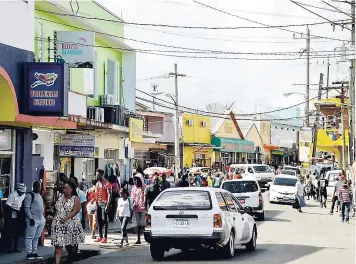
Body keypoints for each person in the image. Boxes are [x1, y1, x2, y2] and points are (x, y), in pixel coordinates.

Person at [51, 181, 85, 264]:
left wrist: (66, 218)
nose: (64, 190)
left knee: (71, 245)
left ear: (71, 189)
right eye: (63, 188)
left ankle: (70, 260)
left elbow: (76, 211)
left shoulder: (75, 198)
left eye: (66, 188)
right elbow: (53, 207)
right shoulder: (59, 197)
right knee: (58, 246)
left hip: (71, 225)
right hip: (58, 224)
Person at [24, 181, 45, 260]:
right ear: (33, 187)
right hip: (33, 219)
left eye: (39, 186)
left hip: (40, 219)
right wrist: (30, 218)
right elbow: (26, 207)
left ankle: (34, 252)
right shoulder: (30, 195)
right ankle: (29, 253)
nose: (38, 188)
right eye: (37, 186)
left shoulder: (39, 195)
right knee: (30, 236)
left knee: (36, 237)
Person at [4, 183, 27, 253]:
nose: (21, 194)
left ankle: (15, 248)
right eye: (20, 192)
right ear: (17, 190)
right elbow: (6, 206)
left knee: (18, 233)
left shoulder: (24, 195)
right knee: (11, 233)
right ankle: (9, 248)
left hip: (20, 217)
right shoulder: (12, 195)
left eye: (23, 192)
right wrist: (15, 211)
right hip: (12, 216)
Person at [94, 169, 112, 244]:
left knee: (104, 221)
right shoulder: (97, 183)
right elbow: (96, 194)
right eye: (96, 174)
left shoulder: (107, 183)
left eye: (98, 175)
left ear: (101, 175)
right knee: (99, 220)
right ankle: (100, 236)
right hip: (98, 203)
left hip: (104, 204)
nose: (96, 176)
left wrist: (108, 204)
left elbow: (109, 194)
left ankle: (105, 237)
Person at [131, 173, 146, 244]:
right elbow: (132, 198)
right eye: (135, 180)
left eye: (138, 180)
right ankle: (138, 239)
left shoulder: (145, 187)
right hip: (136, 208)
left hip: (144, 208)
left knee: (143, 224)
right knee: (138, 224)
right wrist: (133, 204)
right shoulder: (134, 189)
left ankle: (146, 238)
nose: (136, 181)